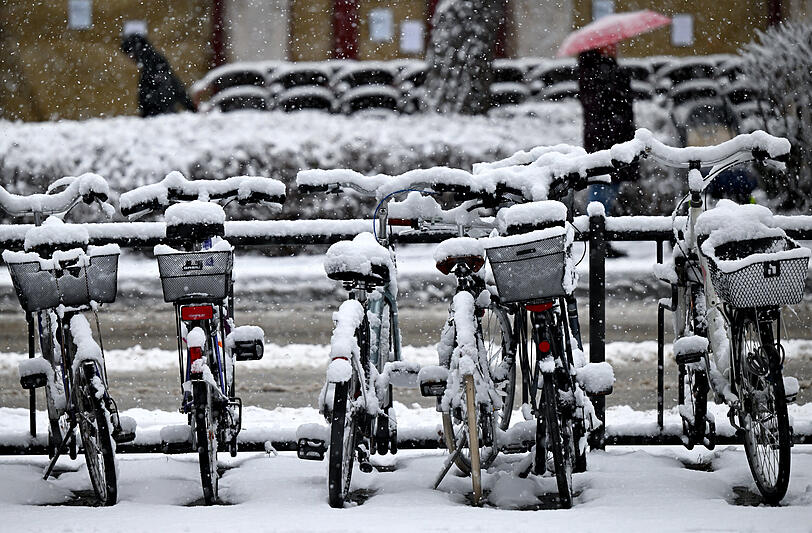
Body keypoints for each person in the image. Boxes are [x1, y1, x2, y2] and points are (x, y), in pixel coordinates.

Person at [578, 45, 637, 257]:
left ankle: (600, 240)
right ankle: (598, 240)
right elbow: (611, 106)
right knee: (602, 192)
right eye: (610, 46)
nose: (615, 48)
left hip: (604, 140)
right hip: (609, 141)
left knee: (604, 191)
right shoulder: (601, 74)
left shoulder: (593, 72)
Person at [120, 33, 196, 117]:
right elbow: (176, 85)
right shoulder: (150, 60)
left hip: (160, 114)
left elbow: (168, 87)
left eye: (129, 54)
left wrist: (147, 112)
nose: (129, 59)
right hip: (162, 112)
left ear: (134, 51)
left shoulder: (153, 62)